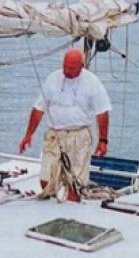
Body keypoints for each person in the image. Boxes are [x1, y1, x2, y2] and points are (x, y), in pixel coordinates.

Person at [19, 48, 111, 201]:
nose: (67, 71)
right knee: (46, 180)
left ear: (81, 66)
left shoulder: (92, 82)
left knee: (75, 183)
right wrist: (28, 135)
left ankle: (72, 204)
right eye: (65, 66)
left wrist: (103, 141)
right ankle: (52, 202)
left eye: (72, 68)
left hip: (79, 135)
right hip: (55, 134)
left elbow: (102, 113)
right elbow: (39, 108)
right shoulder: (53, 79)